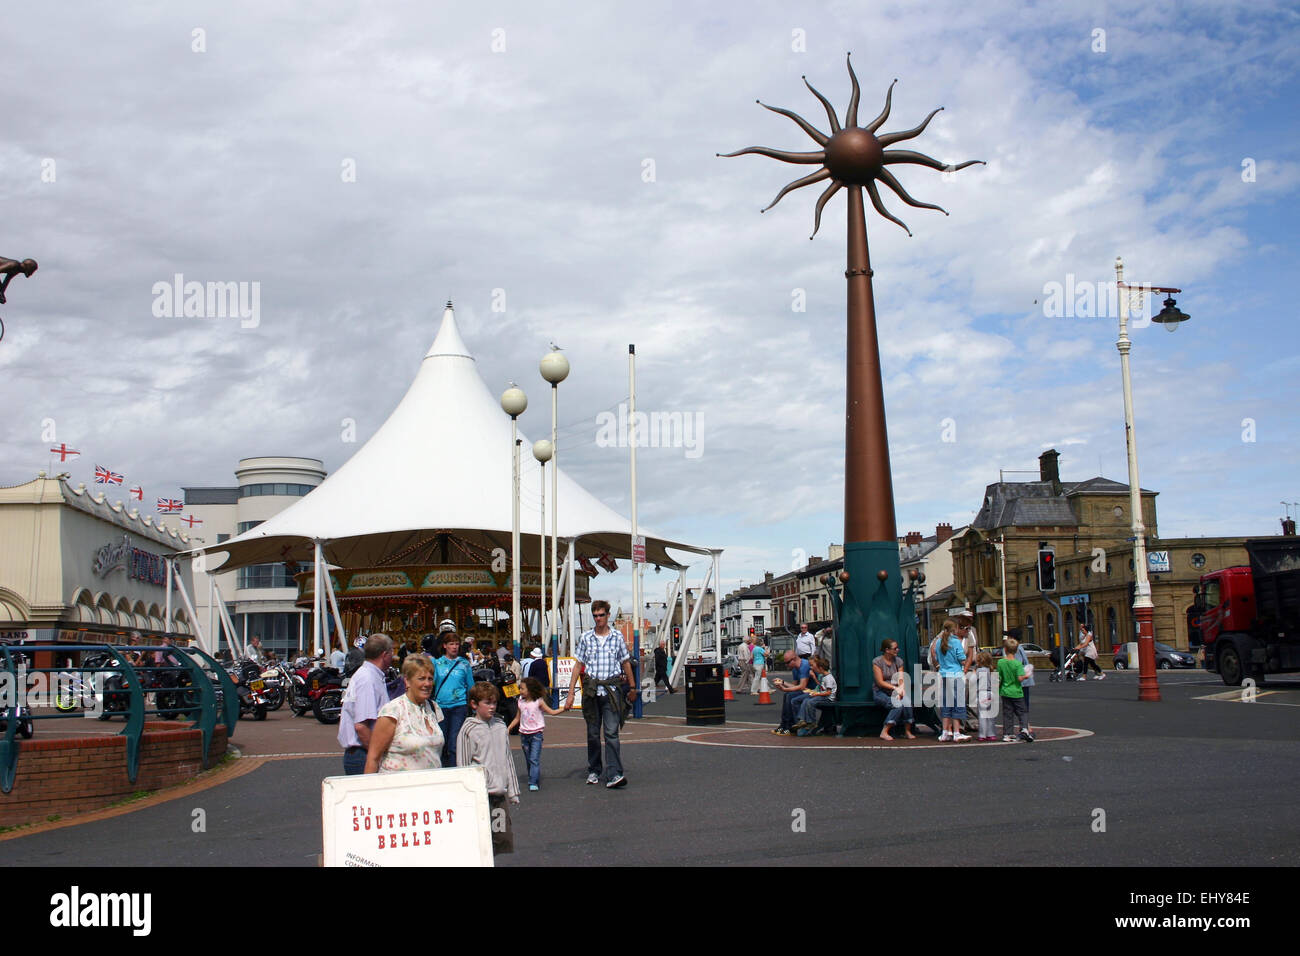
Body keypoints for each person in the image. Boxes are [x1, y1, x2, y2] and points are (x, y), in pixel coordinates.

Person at [565, 598, 637, 788]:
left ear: (608, 615)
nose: (598, 619)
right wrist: (571, 692)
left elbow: (625, 662)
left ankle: (614, 773)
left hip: (612, 691)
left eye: (601, 615)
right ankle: (594, 770)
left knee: (611, 733)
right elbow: (578, 665)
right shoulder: (586, 638)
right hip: (591, 691)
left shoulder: (617, 637)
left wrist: (633, 687)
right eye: (595, 615)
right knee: (593, 733)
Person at [457, 681, 520, 855]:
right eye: (487, 703)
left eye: (494, 703)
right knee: (480, 840)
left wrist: (513, 791)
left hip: (499, 795)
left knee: (501, 839)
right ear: (474, 704)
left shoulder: (500, 726)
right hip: (480, 797)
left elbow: (507, 759)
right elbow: (463, 766)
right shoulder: (468, 729)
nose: (492, 707)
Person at [364, 653, 444, 773]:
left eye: (430, 679)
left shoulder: (433, 708)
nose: (427, 684)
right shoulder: (393, 710)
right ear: (407, 681)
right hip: (398, 787)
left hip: (430, 787)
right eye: (421, 678)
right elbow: (373, 758)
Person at [337, 633, 395, 775]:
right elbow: (362, 727)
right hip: (363, 754)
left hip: (363, 753)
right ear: (385, 654)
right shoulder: (368, 679)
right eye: (392, 652)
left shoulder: (369, 675)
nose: (393, 656)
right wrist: (377, 756)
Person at [507, 676, 564, 791]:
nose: (520, 691)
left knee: (534, 759)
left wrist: (564, 708)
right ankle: (532, 776)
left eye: (522, 688)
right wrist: (508, 728)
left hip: (536, 734)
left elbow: (552, 712)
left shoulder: (538, 701)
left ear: (530, 690)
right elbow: (517, 718)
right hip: (524, 734)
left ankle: (533, 782)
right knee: (528, 759)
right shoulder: (520, 702)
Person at [433, 626, 476, 765]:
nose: (454, 647)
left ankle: (454, 768)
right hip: (441, 706)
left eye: (457, 644)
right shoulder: (437, 663)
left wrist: (474, 703)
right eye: (451, 644)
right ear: (445, 646)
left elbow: (471, 686)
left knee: (454, 742)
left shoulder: (464, 664)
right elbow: (432, 683)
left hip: (459, 706)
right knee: (442, 741)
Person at [931, 619, 970, 742]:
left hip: (944, 675)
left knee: (946, 704)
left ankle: (945, 732)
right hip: (956, 674)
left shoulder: (938, 642)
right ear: (955, 629)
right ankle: (957, 732)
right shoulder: (956, 642)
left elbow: (935, 655)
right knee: (957, 704)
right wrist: (970, 661)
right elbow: (962, 659)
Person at [872, 638, 916, 741]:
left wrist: (901, 689)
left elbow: (901, 678)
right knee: (897, 705)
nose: (898, 650)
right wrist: (895, 688)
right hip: (880, 692)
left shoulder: (899, 661)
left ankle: (907, 731)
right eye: (895, 648)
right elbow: (880, 682)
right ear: (887, 650)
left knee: (907, 703)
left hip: (895, 691)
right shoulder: (877, 661)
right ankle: (884, 731)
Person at [997, 637, 1032, 742]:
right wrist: (1026, 675)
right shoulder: (1017, 664)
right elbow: (1019, 678)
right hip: (1016, 691)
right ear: (1016, 650)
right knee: (1022, 711)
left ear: (1005, 649)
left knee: (1008, 713)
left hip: (1005, 691)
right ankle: (1024, 729)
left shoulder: (1000, 662)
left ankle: (1008, 734)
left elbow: (1000, 678)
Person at [770, 650, 813, 735]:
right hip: (805, 690)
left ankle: (789, 725)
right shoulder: (794, 669)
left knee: (790, 696)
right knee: (788, 695)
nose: (786, 665)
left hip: (812, 690)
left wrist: (784, 689)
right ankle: (784, 724)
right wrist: (782, 682)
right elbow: (794, 687)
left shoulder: (804, 666)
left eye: (788, 663)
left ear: (794, 659)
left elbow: (802, 686)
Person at [792, 656, 837, 736]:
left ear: (821, 668)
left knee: (810, 701)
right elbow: (822, 687)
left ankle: (811, 721)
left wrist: (817, 693)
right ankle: (801, 720)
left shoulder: (828, 678)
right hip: (823, 695)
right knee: (806, 700)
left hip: (827, 698)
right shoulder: (824, 677)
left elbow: (828, 692)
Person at [1011, 637, 1036, 735]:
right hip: (1025, 680)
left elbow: (1017, 664)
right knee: (1023, 704)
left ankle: (1026, 727)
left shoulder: (1016, 648)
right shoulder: (1020, 647)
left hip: (1022, 681)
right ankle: (1025, 726)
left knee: (1020, 704)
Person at [973, 651, 999, 741]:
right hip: (991, 693)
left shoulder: (979, 671)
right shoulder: (991, 670)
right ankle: (991, 733)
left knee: (982, 715)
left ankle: (982, 734)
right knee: (990, 715)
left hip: (981, 693)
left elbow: (972, 680)